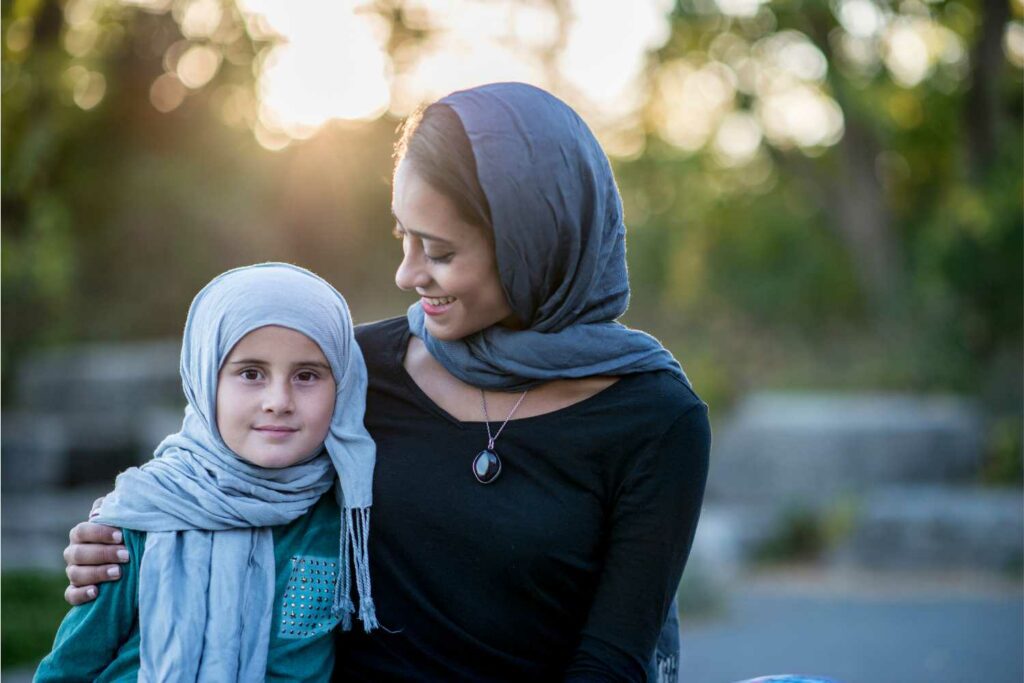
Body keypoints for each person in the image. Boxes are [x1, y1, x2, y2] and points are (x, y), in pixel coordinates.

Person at [62, 83, 711, 681]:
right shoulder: (353, 368)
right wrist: (123, 536)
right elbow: (214, 469)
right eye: (403, 236)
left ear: (533, 243)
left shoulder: (655, 420)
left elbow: (612, 661)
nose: (407, 274)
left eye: (440, 250)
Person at [39, 263, 378, 681]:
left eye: (307, 375)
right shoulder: (143, 515)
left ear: (341, 386)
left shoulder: (347, 520)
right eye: (251, 373)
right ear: (205, 378)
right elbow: (68, 667)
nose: (279, 400)